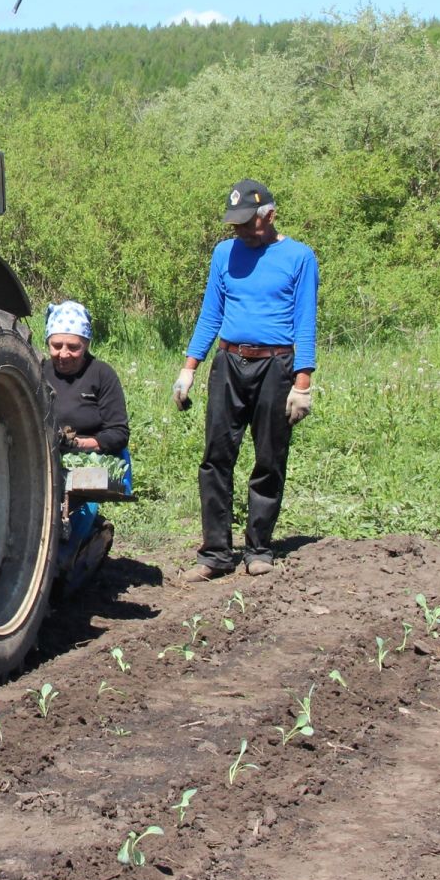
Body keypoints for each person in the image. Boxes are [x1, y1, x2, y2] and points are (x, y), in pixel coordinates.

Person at [173, 179, 319, 581]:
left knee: (269, 457)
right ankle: (216, 553)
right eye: (234, 225)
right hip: (229, 362)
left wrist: (303, 383)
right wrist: (190, 368)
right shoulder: (223, 254)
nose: (239, 232)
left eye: (247, 224)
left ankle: (259, 547)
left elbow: (305, 322)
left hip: (277, 365)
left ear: (269, 216)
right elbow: (210, 314)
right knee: (216, 457)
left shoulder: (299, 257)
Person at [44, 300, 130, 594]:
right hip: (46, 457)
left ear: (86, 343)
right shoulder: (39, 371)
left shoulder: (101, 375)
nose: (63, 354)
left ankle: (67, 564)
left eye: (73, 347)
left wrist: (77, 442)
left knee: (75, 513)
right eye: (56, 346)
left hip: (89, 460)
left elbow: (118, 432)